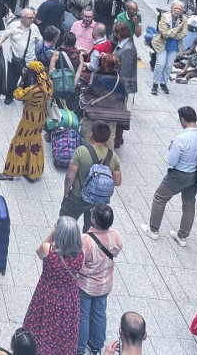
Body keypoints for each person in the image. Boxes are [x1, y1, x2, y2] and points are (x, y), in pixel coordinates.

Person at [140, 105, 197, 246]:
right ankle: (182, 236)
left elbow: (171, 161)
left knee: (159, 197)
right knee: (189, 205)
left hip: (179, 175)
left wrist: (171, 148)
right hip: (195, 176)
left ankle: (153, 230)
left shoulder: (181, 138)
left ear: (183, 119)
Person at [22, 216, 85, 355]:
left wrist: (52, 234)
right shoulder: (80, 254)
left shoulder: (48, 250)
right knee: (64, 330)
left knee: (41, 324)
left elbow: (38, 251)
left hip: (47, 294)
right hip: (69, 298)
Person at [59, 122, 122, 232]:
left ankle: (63, 245)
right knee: (91, 230)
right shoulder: (113, 157)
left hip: (77, 196)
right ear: (107, 138)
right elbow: (117, 181)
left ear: (91, 134)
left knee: (65, 225)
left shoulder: (81, 151)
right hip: (98, 200)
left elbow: (70, 176)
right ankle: (86, 245)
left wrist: (66, 192)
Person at [77, 206, 122, 355]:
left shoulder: (86, 240)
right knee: (100, 313)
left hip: (86, 285)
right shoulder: (115, 235)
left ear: (94, 220)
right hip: (105, 284)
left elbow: (79, 262)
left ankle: (80, 347)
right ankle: (97, 344)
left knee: (83, 315)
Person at [0, 60, 50, 182]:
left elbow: (17, 95)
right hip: (41, 117)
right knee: (34, 141)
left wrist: (22, 80)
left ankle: (10, 172)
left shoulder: (34, 89)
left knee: (19, 142)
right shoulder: (47, 83)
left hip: (29, 119)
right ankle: (32, 172)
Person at [0, 10, 43, 105]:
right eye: (29, 18)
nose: (32, 20)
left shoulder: (34, 28)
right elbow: (5, 35)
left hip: (29, 61)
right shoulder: (14, 26)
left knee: (28, 82)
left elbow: (39, 42)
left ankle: (24, 97)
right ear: (23, 18)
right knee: (12, 80)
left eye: (33, 17)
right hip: (14, 59)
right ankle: (10, 96)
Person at [150, 0, 188, 95]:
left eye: (180, 9)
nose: (177, 10)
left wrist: (172, 34)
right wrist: (178, 28)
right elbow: (165, 34)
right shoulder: (165, 17)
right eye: (175, 8)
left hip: (174, 46)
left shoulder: (184, 19)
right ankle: (155, 84)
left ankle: (163, 83)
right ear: (171, 9)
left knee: (168, 66)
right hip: (162, 44)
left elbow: (184, 34)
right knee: (160, 64)